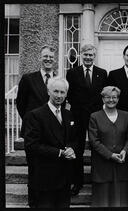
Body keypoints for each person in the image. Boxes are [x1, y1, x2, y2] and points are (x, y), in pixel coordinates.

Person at [24, 77, 77, 208]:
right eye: (56, 91)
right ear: (48, 92)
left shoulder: (68, 114)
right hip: (44, 179)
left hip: (64, 179)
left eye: (62, 92)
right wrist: (59, 152)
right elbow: (32, 145)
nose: (59, 96)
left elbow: (73, 138)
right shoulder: (35, 115)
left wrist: (71, 148)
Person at [16, 44, 57, 207]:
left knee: (48, 168)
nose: (48, 59)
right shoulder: (28, 78)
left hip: (52, 132)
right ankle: (33, 202)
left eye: (51, 58)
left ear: (54, 60)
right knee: (34, 167)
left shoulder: (57, 79)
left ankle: (48, 200)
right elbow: (20, 103)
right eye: (45, 56)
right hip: (33, 132)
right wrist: (30, 122)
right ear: (40, 58)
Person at [66, 44, 108, 195]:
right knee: (77, 149)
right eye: (86, 55)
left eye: (91, 55)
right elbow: (69, 94)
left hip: (97, 116)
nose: (88, 57)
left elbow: (104, 95)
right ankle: (77, 182)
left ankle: (99, 179)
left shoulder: (102, 73)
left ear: (94, 56)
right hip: (78, 116)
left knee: (98, 147)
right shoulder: (72, 73)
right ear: (81, 56)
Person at [88, 86, 128, 207]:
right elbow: (94, 141)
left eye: (114, 97)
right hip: (102, 166)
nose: (111, 100)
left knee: (120, 202)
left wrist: (125, 151)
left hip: (121, 166)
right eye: (107, 97)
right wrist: (110, 155)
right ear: (102, 99)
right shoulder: (94, 116)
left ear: (118, 99)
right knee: (102, 202)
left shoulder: (126, 115)